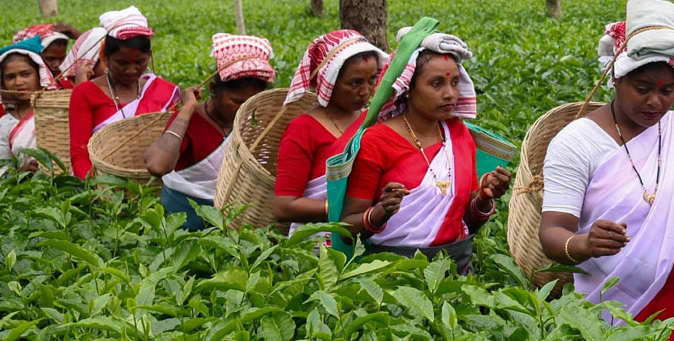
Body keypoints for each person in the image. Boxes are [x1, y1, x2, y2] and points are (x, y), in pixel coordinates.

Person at [538, 0, 674, 341]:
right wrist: (585, 243)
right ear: (616, 79)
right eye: (642, 89)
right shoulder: (576, 143)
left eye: (667, 90)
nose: (655, 101)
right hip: (602, 323)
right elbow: (552, 233)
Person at [339, 25, 510, 270]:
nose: (450, 94)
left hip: (454, 270)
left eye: (454, 83)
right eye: (437, 84)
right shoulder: (377, 141)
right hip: (394, 274)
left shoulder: (458, 134)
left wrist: (484, 197)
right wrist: (380, 212)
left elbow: (466, 222)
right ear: (408, 88)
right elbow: (346, 230)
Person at [144, 34, 273, 230]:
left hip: (233, 223)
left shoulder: (253, 122)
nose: (243, 110)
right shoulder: (192, 119)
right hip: (183, 222)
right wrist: (187, 108)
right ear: (213, 89)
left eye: (251, 104)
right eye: (237, 102)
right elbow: (157, 165)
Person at [274, 31, 386, 228]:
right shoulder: (303, 130)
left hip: (368, 232)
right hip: (318, 241)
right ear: (328, 81)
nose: (366, 91)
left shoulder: (372, 120)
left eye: (372, 80)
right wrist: (343, 209)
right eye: (355, 83)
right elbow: (284, 206)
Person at [68, 7, 180, 177]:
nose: (131, 70)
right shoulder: (85, 93)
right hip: (103, 184)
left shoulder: (165, 92)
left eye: (140, 62)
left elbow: (174, 146)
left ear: (149, 56)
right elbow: (79, 153)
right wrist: (96, 190)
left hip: (155, 184)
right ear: (105, 56)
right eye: (122, 63)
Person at [0, 38, 56, 172]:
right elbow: (2, 172)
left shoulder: (59, 109)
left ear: (40, 74)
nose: (18, 82)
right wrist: (23, 172)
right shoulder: (3, 125)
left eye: (25, 74)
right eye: (10, 77)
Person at [13, 23, 79, 81]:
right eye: (50, 59)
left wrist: (79, 36)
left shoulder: (67, 76)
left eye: (62, 59)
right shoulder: (23, 81)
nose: (57, 64)